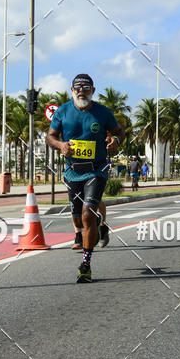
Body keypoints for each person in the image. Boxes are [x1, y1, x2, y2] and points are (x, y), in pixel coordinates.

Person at [47, 74, 124, 283]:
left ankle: (86, 265)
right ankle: (100, 226)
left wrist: (115, 140)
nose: (82, 91)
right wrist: (61, 145)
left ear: (93, 90)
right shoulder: (62, 111)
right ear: (72, 90)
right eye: (77, 88)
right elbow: (50, 136)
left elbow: (119, 132)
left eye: (86, 88)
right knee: (78, 216)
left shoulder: (102, 112)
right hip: (73, 171)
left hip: (96, 170)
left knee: (88, 213)